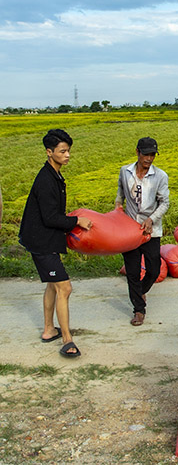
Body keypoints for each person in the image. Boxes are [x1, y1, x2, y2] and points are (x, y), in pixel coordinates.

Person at [19, 129, 92, 358]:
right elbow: (50, 217)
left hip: (45, 239)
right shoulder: (46, 180)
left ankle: (49, 330)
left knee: (53, 284)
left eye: (68, 150)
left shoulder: (54, 175)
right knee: (64, 287)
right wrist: (77, 220)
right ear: (49, 152)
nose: (67, 155)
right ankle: (67, 340)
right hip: (41, 241)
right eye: (62, 151)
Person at [115, 137, 169, 326]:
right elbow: (120, 192)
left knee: (153, 269)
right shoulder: (125, 172)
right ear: (137, 152)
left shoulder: (160, 176)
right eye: (145, 154)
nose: (149, 158)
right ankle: (139, 309)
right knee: (133, 270)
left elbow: (165, 203)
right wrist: (118, 207)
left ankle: (141, 291)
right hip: (129, 230)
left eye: (152, 155)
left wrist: (151, 219)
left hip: (150, 230)